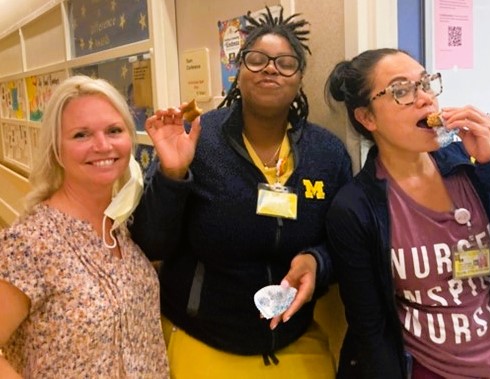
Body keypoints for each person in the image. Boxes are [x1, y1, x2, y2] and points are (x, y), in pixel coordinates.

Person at [129, 6, 352, 379]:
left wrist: (317, 261)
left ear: (299, 79)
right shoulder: (197, 139)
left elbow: (342, 242)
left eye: (285, 63)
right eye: (257, 59)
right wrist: (171, 173)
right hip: (203, 338)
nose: (270, 69)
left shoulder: (326, 154)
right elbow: (152, 245)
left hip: (293, 341)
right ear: (238, 70)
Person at [324, 48, 490, 378]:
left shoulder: (468, 166)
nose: (426, 98)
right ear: (367, 118)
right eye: (401, 91)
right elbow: (370, 331)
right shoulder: (355, 207)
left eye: (426, 83)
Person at [0, 75, 169, 378]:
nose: (102, 146)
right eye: (81, 135)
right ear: (56, 149)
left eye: (114, 131)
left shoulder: (124, 223)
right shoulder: (30, 243)